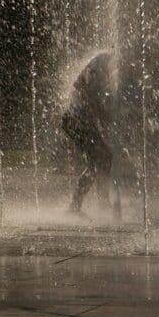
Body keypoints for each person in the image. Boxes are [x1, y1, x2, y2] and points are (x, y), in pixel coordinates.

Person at [62, 51, 116, 213]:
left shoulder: (103, 65)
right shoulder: (98, 63)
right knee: (97, 160)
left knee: (105, 157)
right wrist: (105, 116)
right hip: (76, 120)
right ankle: (76, 206)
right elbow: (86, 92)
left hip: (80, 119)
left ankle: (101, 202)